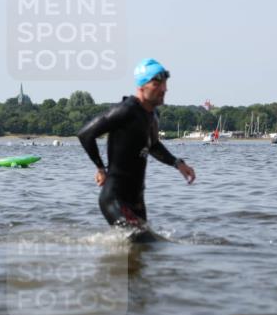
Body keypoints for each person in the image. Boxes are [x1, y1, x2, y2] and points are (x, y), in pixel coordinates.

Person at [77, 58, 195, 236]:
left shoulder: (152, 115)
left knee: (143, 252)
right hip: (115, 198)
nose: (164, 89)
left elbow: (154, 145)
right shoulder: (126, 110)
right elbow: (86, 134)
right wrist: (101, 168)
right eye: (157, 84)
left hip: (137, 199)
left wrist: (178, 163)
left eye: (164, 84)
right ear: (141, 86)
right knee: (141, 240)